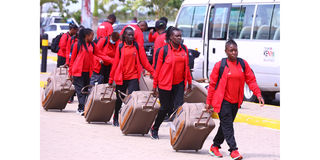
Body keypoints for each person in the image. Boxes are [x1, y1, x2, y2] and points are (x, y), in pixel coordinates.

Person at [205, 39, 265, 160]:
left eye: (235, 50)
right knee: (228, 126)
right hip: (222, 101)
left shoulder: (242, 64)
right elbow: (212, 85)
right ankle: (233, 150)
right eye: (231, 50)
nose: (234, 52)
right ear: (226, 51)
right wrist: (209, 102)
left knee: (225, 125)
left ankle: (215, 146)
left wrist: (258, 94)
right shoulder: (220, 65)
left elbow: (251, 80)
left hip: (235, 101)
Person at [150, 27, 192, 139]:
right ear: (170, 37)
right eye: (177, 36)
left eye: (180, 36)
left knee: (178, 108)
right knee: (164, 108)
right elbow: (157, 70)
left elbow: (187, 67)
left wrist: (189, 82)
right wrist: (154, 86)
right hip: (165, 84)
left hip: (179, 84)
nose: (179, 38)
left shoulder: (184, 49)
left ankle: (178, 131)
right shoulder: (163, 51)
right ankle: (155, 128)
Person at [108, 27, 155, 127]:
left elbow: (145, 62)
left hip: (133, 76)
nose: (131, 37)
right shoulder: (120, 47)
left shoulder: (137, 46)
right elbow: (115, 63)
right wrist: (111, 79)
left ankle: (130, 118)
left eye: (132, 35)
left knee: (133, 98)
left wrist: (153, 72)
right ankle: (116, 116)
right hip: (121, 77)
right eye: (129, 35)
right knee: (119, 99)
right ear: (124, 36)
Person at [68, 28, 105, 115]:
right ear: (87, 36)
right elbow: (72, 60)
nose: (93, 37)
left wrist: (114, 61)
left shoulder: (92, 45)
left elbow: (100, 54)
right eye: (92, 35)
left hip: (87, 71)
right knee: (80, 90)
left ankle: (81, 108)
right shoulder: (77, 45)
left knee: (85, 90)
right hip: (77, 71)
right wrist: (70, 73)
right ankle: (82, 108)